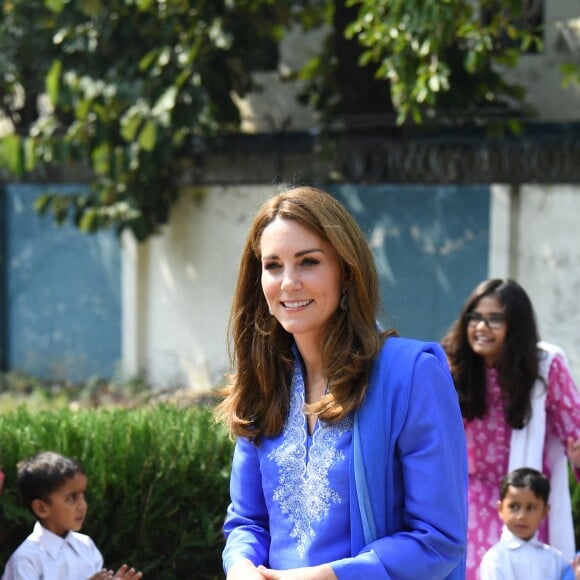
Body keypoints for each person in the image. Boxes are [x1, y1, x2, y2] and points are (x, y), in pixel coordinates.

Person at [215, 185, 468, 579]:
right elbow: (247, 522)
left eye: (309, 262)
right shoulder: (263, 381)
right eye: (273, 265)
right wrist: (242, 567)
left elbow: (438, 538)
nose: (289, 282)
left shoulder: (412, 374)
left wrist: (331, 576)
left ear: (347, 272)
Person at [441, 278, 580, 579]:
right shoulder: (451, 367)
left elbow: (575, 432)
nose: (481, 327)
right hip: (469, 501)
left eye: (494, 319)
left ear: (516, 326)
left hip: (524, 505)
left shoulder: (545, 367)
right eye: (475, 317)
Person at [1, 451, 142, 580]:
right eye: (71, 498)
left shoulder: (86, 546)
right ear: (41, 508)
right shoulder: (26, 560)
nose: (82, 505)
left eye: (83, 495)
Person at [478, 467, 573, 579]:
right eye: (514, 506)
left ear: (544, 512)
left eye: (531, 508)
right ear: (500, 509)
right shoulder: (495, 558)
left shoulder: (555, 559)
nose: (522, 516)